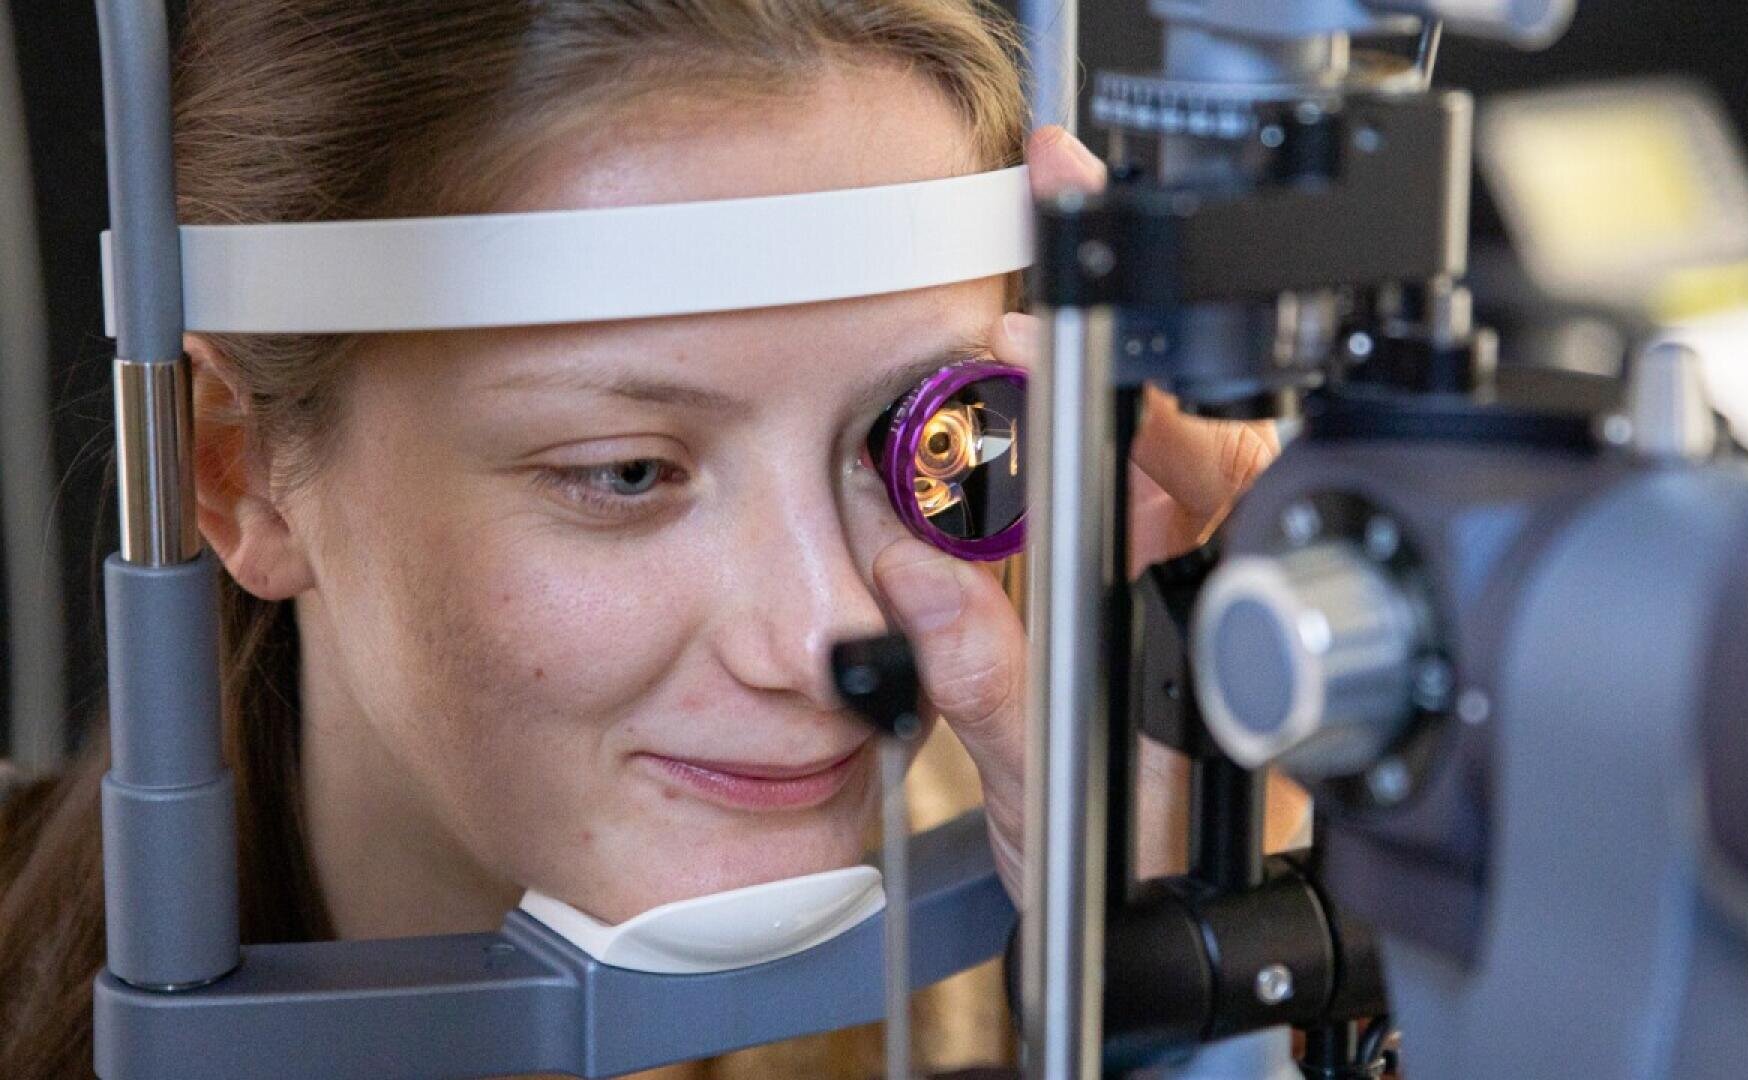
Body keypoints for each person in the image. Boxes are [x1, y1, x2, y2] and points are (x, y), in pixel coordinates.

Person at [0, 2, 1286, 1075]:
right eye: (625, 473)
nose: (826, 636)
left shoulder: (1080, 947)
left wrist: (1248, 978)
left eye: (926, 438)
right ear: (237, 474)